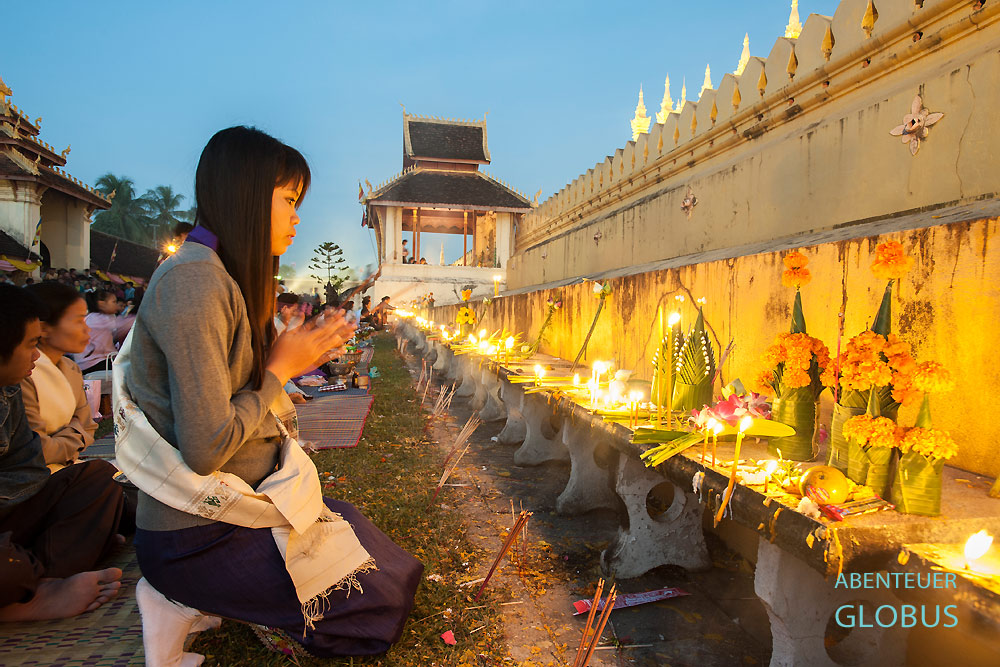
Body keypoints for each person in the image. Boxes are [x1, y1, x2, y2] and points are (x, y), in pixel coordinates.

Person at [125, 126, 422, 661]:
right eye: (289, 199)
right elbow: (204, 446)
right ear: (244, 193)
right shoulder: (194, 281)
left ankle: (199, 597)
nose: (296, 217)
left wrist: (298, 357)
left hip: (251, 505)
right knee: (375, 615)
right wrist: (280, 371)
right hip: (197, 533)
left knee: (391, 566)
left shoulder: (223, 278)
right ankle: (176, 596)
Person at [0, 284, 130, 622]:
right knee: (7, 567)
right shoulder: (22, 381)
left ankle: (32, 577)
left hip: (15, 505)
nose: (34, 356)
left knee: (101, 478)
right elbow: (41, 452)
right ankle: (23, 597)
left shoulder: (10, 389)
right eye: (30, 345)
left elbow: (29, 468)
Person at [20, 282, 98, 469]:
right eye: (79, 320)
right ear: (44, 328)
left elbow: (88, 426)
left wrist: (64, 440)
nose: (87, 329)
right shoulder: (23, 372)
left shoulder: (71, 368)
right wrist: (75, 436)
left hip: (66, 465)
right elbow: (37, 448)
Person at [73, 289, 128, 374]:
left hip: (94, 361)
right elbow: (124, 325)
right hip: (93, 363)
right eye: (114, 302)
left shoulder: (98, 317)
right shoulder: (98, 318)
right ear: (101, 304)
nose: (117, 306)